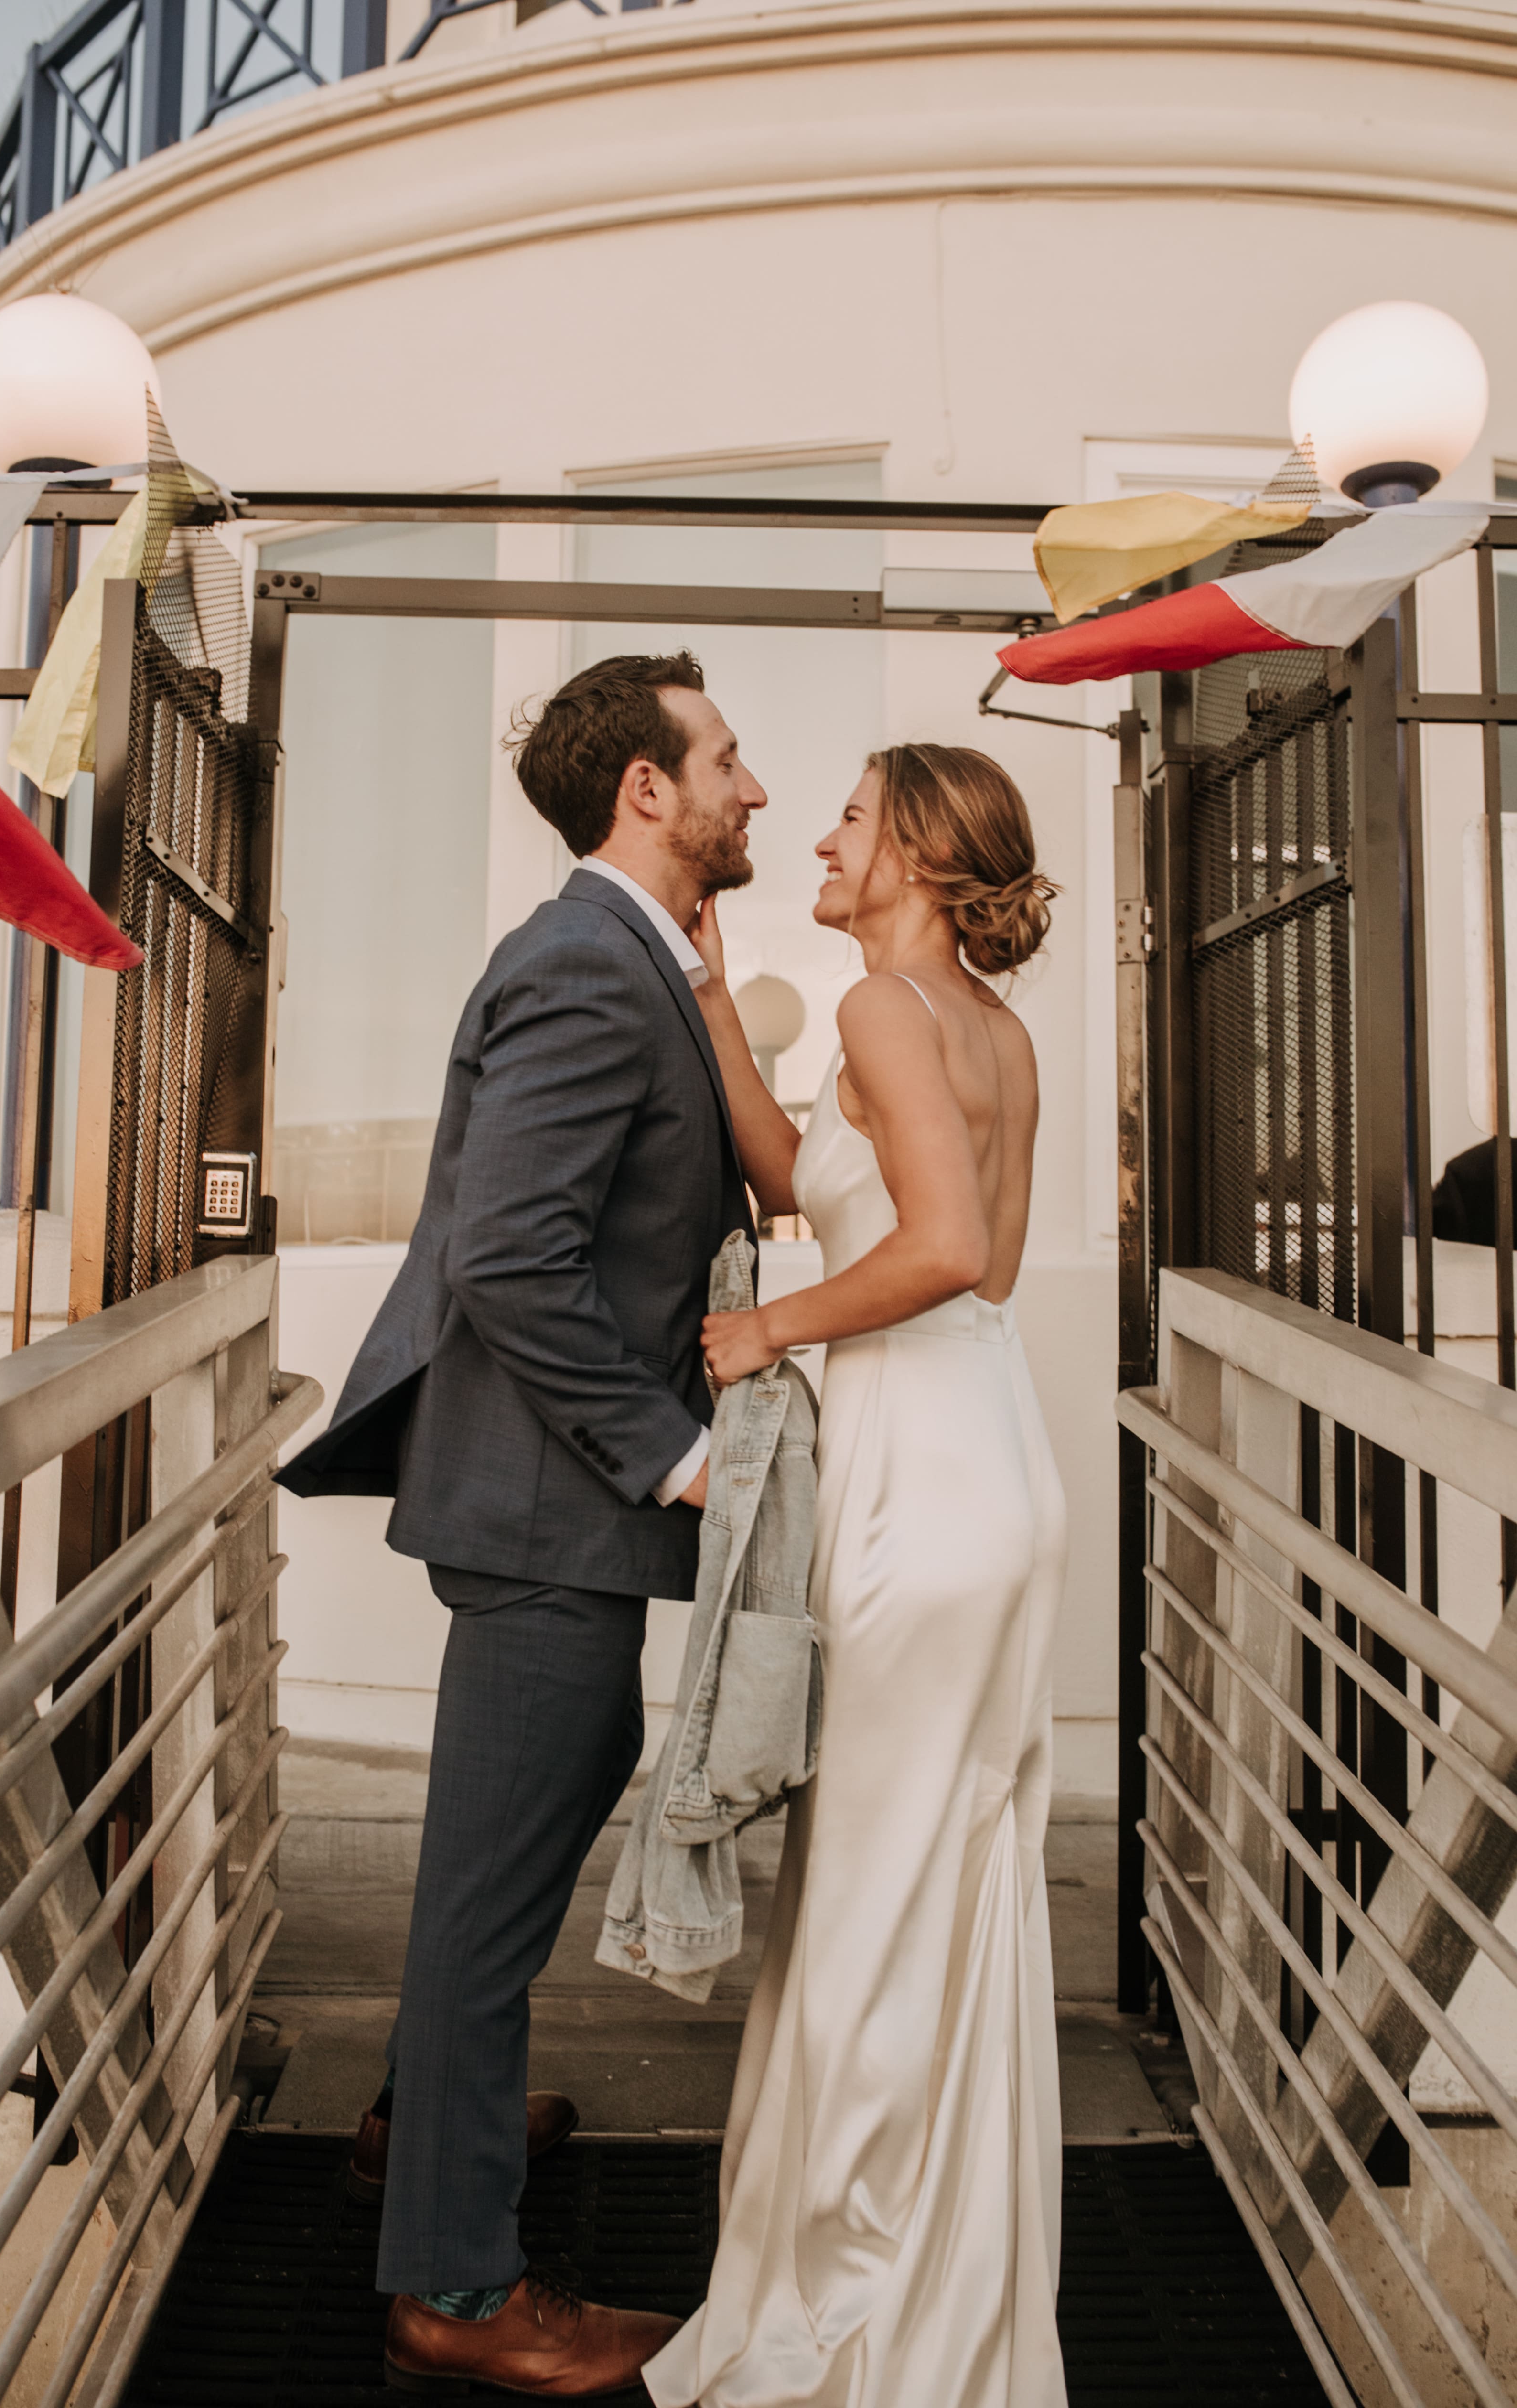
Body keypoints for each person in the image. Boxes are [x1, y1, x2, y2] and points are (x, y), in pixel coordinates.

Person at [278, 652, 766, 2397]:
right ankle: (455, 2287)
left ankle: (423, 2123)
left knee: (527, 1833)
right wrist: (672, 1456)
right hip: (554, 1500)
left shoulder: (632, 959)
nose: (754, 791)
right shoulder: (579, 963)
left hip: (555, 1508)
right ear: (648, 786)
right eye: (727, 759)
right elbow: (512, 1259)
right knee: (489, 1901)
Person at [645, 742, 1069, 2408]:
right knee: (939, 1883)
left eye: (845, 816)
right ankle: (938, 2288)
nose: (816, 835)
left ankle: (852, 2313)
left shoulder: (891, 1018)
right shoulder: (984, 1031)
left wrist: (765, 1331)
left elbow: (946, 1251)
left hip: (918, 1480)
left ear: (908, 847)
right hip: (991, 1455)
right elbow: (914, 1226)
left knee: (875, 1899)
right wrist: (716, 1006)